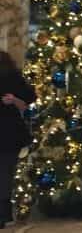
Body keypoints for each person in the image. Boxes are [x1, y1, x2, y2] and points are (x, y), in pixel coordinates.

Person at [0, 51, 36, 228]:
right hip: (10, 131)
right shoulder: (11, 75)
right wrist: (14, 99)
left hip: (8, 131)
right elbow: (30, 95)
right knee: (6, 173)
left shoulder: (10, 75)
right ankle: (4, 214)